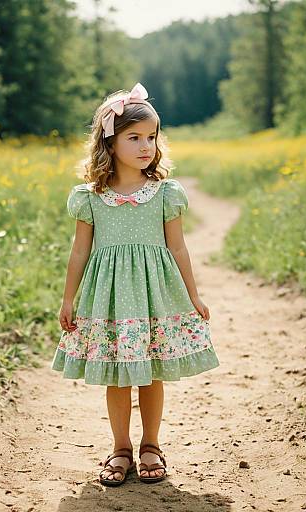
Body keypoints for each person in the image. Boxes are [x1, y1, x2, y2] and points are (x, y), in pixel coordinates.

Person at [51, 82, 220, 487]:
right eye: (134, 137)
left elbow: (178, 248)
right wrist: (68, 298)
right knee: (116, 374)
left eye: (151, 137)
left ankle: (152, 445)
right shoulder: (91, 197)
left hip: (153, 294)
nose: (146, 146)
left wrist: (193, 295)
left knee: (151, 371)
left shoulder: (164, 193)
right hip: (108, 296)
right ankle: (121, 448)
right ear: (109, 142)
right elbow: (79, 252)